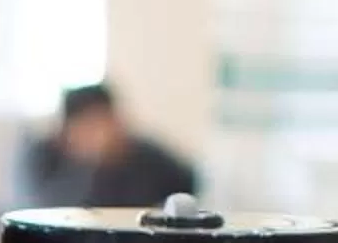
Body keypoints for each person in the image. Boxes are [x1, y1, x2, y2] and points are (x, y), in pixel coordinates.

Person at [13, 82, 199, 211]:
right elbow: (48, 208)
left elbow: (189, 184)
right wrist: (91, 165)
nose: (102, 135)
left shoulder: (141, 152)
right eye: (90, 125)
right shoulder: (41, 156)